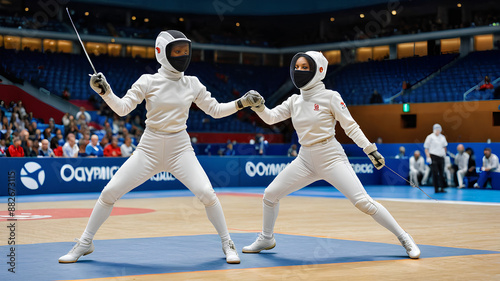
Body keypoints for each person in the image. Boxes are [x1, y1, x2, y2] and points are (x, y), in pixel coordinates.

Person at [59, 30, 262, 265]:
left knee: (207, 194)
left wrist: (242, 103)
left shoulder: (192, 83)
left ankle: (228, 243)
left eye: (185, 51)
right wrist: (104, 92)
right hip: (149, 148)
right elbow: (123, 108)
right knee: (109, 193)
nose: (183, 56)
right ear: (162, 53)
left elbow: (215, 110)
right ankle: (85, 243)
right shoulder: (148, 81)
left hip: (180, 149)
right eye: (177, 51)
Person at [242, 51, 420, 259]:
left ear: (318, 70)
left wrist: (370, 149)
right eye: (296, 67)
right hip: (305, 159)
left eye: (304, 67)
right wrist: (259, 106)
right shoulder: (294, 101)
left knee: (363, 202)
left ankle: (404, 238)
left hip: (331, 156)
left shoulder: (331, 97)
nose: (298, 71)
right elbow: (271, 118)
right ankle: (266, 238)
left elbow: (350, 127)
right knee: (270, 195)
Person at [424, 124, 448, 193]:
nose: (437, 131)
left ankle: (442, 188)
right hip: (433, 156)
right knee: (435, 173)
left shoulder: (442, 137)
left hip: (441, 157)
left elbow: (444, 147)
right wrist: (428, 157)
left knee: (441, 173)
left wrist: (444, 155)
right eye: (436, 129)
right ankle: (436, 188)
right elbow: (426, 148)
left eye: (439, 129)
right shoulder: (430, 137)